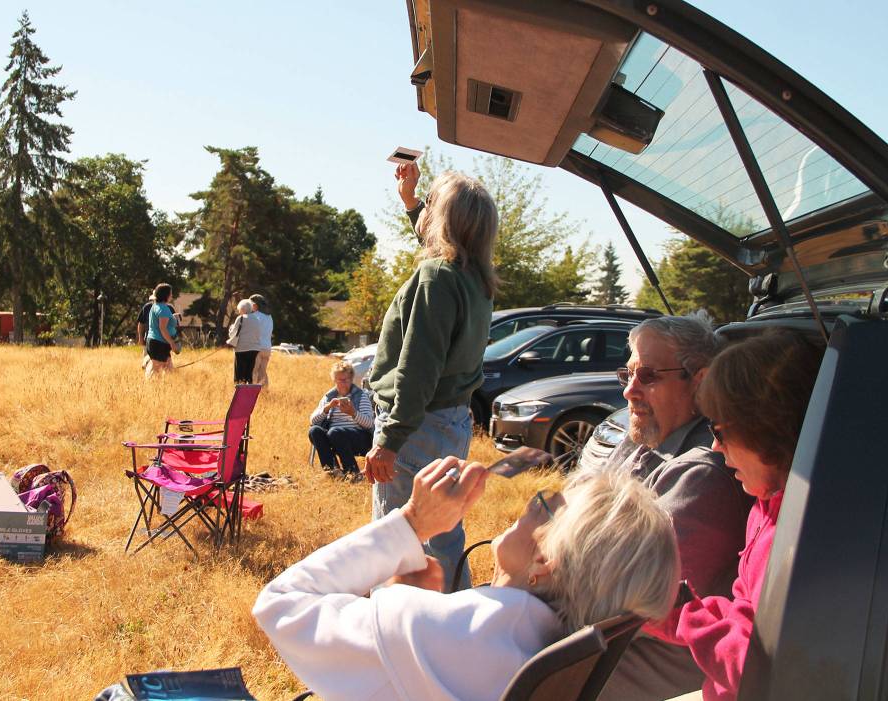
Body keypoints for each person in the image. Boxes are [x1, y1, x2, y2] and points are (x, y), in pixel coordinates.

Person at [253, 457, 680, 701]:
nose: (528, 504)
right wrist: (405, 608)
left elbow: (280, 604)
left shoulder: (453, 637)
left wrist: (411, 523)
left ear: (545, 561)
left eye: (544, 503)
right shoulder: (545, 650)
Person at [577, 312, 751, 700]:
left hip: (653, 654)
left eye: (649, 376)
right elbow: (571, 516)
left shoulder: (704, 474)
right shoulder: (644, 438)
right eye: (628, 374)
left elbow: (628, 601)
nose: (629, 391)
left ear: (701, 381)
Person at [644, 329, 823, 701]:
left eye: (720, 430)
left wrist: (682, 617)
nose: (713, 445)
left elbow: (761, 673)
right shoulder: (767, 508)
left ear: (767, 432)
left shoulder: (808, 538)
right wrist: (671, 608)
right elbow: (743, 612)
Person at [364, 162, 499, 592]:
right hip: (450, 422)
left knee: (399, 538)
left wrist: (390, 440)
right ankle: (456, 618)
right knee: (441, 532)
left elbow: (418, 369)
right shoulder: (474, 278)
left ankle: (400, 628)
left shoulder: (436, 278)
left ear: (443, 221)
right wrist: (410, 201)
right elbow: (439, 242)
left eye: (431, 205)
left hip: (416, 427)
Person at [308, 360, 374, 480]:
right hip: (334, 435)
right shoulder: (329, 396)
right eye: (340, 380)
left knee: (335, 432)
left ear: (352, 379)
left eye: (347, 379)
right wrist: (327, 408)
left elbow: (370, 424)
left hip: (360, 438)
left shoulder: (361, 396)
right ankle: (333, 472)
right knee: (315, 430)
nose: (344, 383)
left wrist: (353, 413)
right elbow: (313, 420)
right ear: (334, 380)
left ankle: (353, 473)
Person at [145, 283, 180, 378]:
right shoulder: (163, 308)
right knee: (156, 373)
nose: (171, 295)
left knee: (169, 371)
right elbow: (162, 328)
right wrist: (172, 342)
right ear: (166, 295)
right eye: (170, 293)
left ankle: (167, 390)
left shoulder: (155, 306)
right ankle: (151, 391)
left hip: (156, 342)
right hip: (159, 344)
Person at [227, 299, 260, 384]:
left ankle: (240, 390)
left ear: (243, 309)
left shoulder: (241, 318)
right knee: (249, 373)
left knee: (240, 373)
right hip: (254, 349)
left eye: (239, 309)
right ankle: (249, 391)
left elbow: (232, 334)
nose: (239, 311)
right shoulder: (257, 319)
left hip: (242, 349)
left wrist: (231, 328)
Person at [249, 293, 273, 388]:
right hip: (267, 348)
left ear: (255, 305)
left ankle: (252, 394)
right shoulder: (269, 316)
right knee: (263, 372)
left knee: (253, 372)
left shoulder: (255, 316)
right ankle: (265, 393)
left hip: (257, 347)